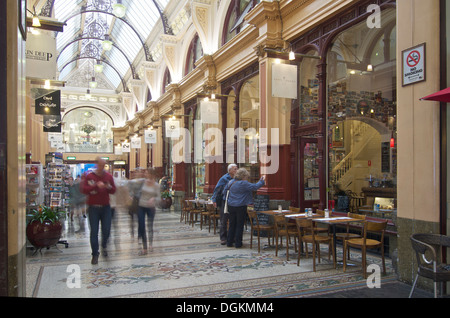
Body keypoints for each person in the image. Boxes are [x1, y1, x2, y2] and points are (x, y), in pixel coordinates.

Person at [81, 157, 116, 265]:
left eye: (103, 165)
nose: (102, 167)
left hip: (106, 207)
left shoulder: (108, 176)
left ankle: (104, 245)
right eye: (100, 165)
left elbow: (114, 190)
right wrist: (96, 186)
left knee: (106, 230)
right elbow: (84, 189)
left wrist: (108, 186)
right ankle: (95, 254)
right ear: (96, 164)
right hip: (93, 208)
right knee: (94, 231)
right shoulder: (90, 176)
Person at [222, 168, 265, 248]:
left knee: (232, 224)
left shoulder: (230, 182)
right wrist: (261, 181)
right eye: (246, 176)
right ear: (243, 176)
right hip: (240, 206)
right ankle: (238, 243)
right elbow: (255, 187)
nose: (247, 178)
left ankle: (229, 242)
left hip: (231, 205)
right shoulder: (244, 183)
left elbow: (224, 192)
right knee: (239, 225)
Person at [211, 164, 238, 245]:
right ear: (230, 171)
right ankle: (223, 238)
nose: (236, 170)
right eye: (235, 169)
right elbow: (217, 189)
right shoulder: (224, 178)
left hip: (234, 201)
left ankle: (232, 237)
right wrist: (214, 199)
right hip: (225, 201)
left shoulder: (238, 178)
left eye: (237, 169)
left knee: (233, 220)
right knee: (224, 219)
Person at [137, 168, 161, 255]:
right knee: (142, 225)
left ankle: (150, 243)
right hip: (141, 206)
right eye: (145, 173)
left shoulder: (156, 185)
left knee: (150, 225)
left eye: (147, 173)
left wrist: (153, 198)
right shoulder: (142, 182)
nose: (145, 175)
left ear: (151, 174)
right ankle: (145, 248)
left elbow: (159, 198)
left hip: (151, 207)